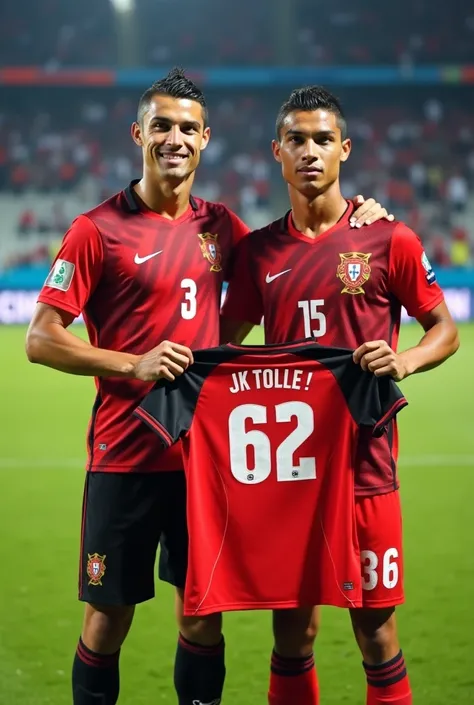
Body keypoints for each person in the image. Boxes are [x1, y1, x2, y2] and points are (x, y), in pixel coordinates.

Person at [25, 68, 393, 705]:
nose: (175, 138)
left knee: (202, 614)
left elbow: (294, 252)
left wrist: (362, 214)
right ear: (139, 133)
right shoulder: (97, 230)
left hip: (204, 462)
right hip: (125, 457)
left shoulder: (222, 229)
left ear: (205, 140)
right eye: (163, 126)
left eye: (188, 128)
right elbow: (41, 338)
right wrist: (130, 363)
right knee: (108, 619)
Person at [221, 86, 460, 705]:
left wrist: (403, 360)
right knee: (292, 632)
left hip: (365, 468)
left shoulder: (389, 239)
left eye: (323, 140)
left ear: (345, 150)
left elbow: (445, 329)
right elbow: (220, 349)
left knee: (377, 633)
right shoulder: (257, 253)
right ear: (277, 152)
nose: (309, 152)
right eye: (296, 140)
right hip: (290, 477)